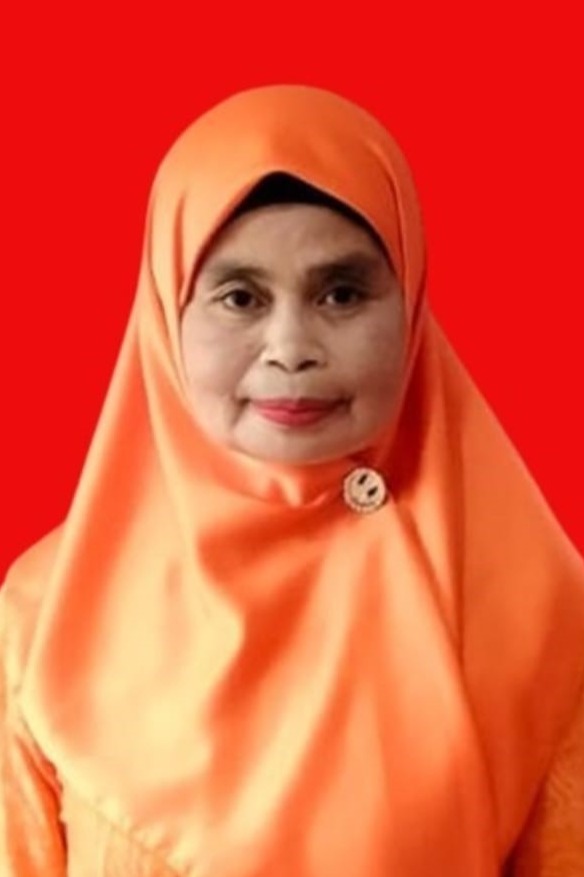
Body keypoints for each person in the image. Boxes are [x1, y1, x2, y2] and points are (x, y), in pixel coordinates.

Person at [1, 84, 583, 876]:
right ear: (168, 314)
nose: (291, 346)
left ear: (410, 304)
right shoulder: (45, 613)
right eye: (240, 297)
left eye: (341, 293)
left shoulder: (536, 610)